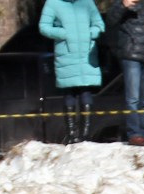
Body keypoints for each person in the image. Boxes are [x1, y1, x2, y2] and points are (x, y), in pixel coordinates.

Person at [39, 0, 106, 143]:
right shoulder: (53, 3)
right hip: (66, 55)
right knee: (69, 91)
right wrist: (63, 33)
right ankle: (71, 135)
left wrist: (89, 33)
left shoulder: (87, 2)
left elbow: (99, 25)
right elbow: (43, 27)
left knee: (85, 92)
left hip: (86, 56)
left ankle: (86, 135)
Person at [105, 0, 144, 146]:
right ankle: (134, 133)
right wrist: (123, 5)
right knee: (133, 98)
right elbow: (110, 19)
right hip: (131, 53)